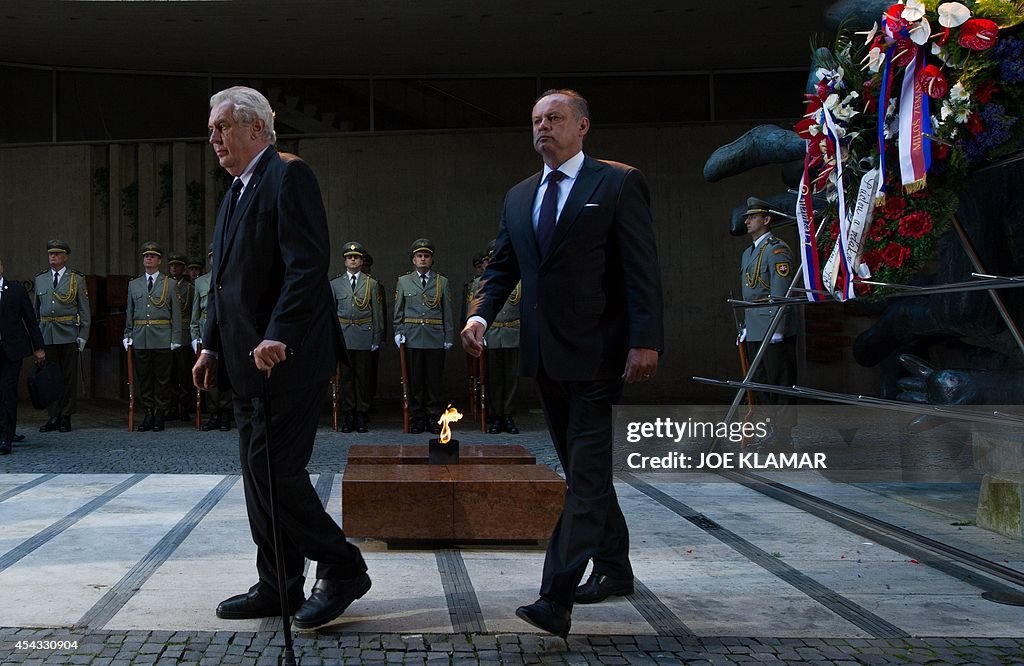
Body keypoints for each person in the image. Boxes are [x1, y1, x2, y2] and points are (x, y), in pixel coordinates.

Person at [462, 89, 663, 638]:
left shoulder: (618, 182)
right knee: (584, 472)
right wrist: (480, 316)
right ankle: (616, 568)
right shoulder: (519, 195)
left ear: (582, 126)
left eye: (553, 119)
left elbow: (641, 270)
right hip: (546, 359)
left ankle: (555, 598)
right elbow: (502, 268)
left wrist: (646, 341)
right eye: (535, 120)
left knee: (587, 473)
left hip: (600, 355)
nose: (542, 128)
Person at [193, 86, 369, 630]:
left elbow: (306, 266)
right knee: (256, 475)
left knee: (278, 472)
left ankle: (342, 568)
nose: (215, 138)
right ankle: (278, 582)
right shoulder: (235, 192)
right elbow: (226, 283)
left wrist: (280, 334)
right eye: (212, 130)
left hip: (288, 360)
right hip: (245, 363)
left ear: (258, 130)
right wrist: (209, 344)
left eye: (223, 127)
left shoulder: (288, 175)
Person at [739, 196, 799, 450]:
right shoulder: (747, 253)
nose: (747, 221)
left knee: (780, 380)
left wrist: (778, 328)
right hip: (754, 325)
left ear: (766, 220)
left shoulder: (777, 249)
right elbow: (750, 294)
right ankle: (770, 428)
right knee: (760, 381)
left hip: (773, 326)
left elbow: (780, 292)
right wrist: (746, 326)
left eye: (752, 217)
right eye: (747, 218)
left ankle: (783, 433)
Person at [393, 238, 455, 434]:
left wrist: (449, 335)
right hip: (412, 337)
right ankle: (417, 417)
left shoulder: (441, 282)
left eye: (426, 256)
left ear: (431, 260)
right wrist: (398, 331)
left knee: (434, 381)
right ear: (413, 260)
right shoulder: (403, 281)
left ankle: (434, 417)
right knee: (415, 381)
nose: (423, 259)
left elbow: (447, 311)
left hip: (435, 336)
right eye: (419, 256)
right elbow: (399, 310)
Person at [123, 242, 183, 432]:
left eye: (152, 256)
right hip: (141, 336)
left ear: (159, 260)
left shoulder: (170, 283)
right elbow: (130, 311)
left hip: (162, 336)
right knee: (144, 378)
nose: (148, 259)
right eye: (146, 256)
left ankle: (160, 413)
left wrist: (176, 337)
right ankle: (148, 411)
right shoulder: (134, 284)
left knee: (163, 378)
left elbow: (176, 314)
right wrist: (128, 333)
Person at [34, 240, 91, 433]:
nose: (53, 256)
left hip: (68, 333)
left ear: (65, 257)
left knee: (68, 377)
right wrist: (36, 340)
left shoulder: (76, 279)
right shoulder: (40, 279)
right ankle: (53, 415)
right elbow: (36, 311)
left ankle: (66, 416)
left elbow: (84, 311)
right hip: (46, 334)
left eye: (57, 254)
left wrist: (82, 336)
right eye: (51, 254)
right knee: (50, 378)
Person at [329, 241, 384, 433]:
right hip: (344, 335)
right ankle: (349, 413)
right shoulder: (335, 284)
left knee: (363, 377)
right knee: (346, 377)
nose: (353, 260)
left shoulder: (371, 284)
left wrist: (376, 338)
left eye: (356, 257)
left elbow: (377, 313)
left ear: (361, 261)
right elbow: (331, 314)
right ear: (345, 262)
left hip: (363, 334)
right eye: (349, 257)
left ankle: (361, 413)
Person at [468, 241, 522, 434]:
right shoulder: (479, 283)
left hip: (513, 334)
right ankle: (496, 416)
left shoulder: (520, 280)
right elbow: (473, 310)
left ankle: (508, 415)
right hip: (492, 334)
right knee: (494, 379)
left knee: (512, 379)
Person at [0, 259, 46, 454]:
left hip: (11, 350)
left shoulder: (16, 290)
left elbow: (30, 319)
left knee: (7, 392)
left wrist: (39, 347)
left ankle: (6, 436)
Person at [190, 244, 233, 431]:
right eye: (212, 256)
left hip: (227, 330)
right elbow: (195, 313)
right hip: (208, 330)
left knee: (226, 372)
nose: (215, 259)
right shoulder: (200, 282)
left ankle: (225, 413)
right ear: (209, 259)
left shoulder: (232, 276)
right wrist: (195, 336)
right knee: (209, 373)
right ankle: (214, 412)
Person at [168, 252, 195, 421]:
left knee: (184, 373)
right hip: (169, 333)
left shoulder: (190, 288)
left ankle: (184, 407)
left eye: (177, 265)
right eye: (172, 265)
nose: (174, 268)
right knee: (170, 373)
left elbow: (193, 311)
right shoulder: (166, 285)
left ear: (183, 268)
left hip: (184, 333)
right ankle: (172, 406)